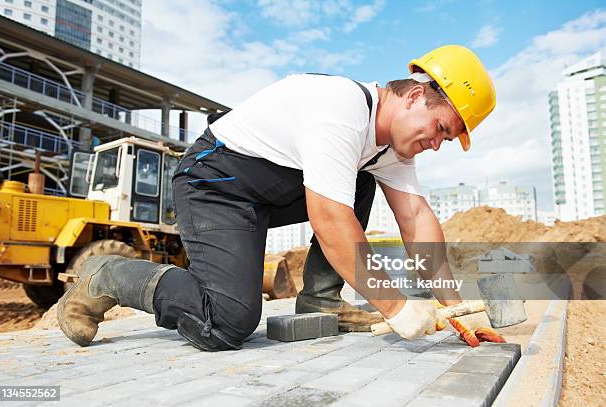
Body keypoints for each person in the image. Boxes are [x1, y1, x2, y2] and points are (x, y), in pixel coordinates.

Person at [58, 45, 496, 351]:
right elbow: (327, 217)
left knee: (359, 179)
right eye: (442, 129)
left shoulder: (388, 149)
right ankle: (107, 274)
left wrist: (457, 308)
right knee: (226, 322)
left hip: (267, 192)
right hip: (214, 184)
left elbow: (416, 218)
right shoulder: (341, 108)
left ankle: (321, 300)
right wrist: (396, 306)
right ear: (416, 96)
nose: (437, 145)